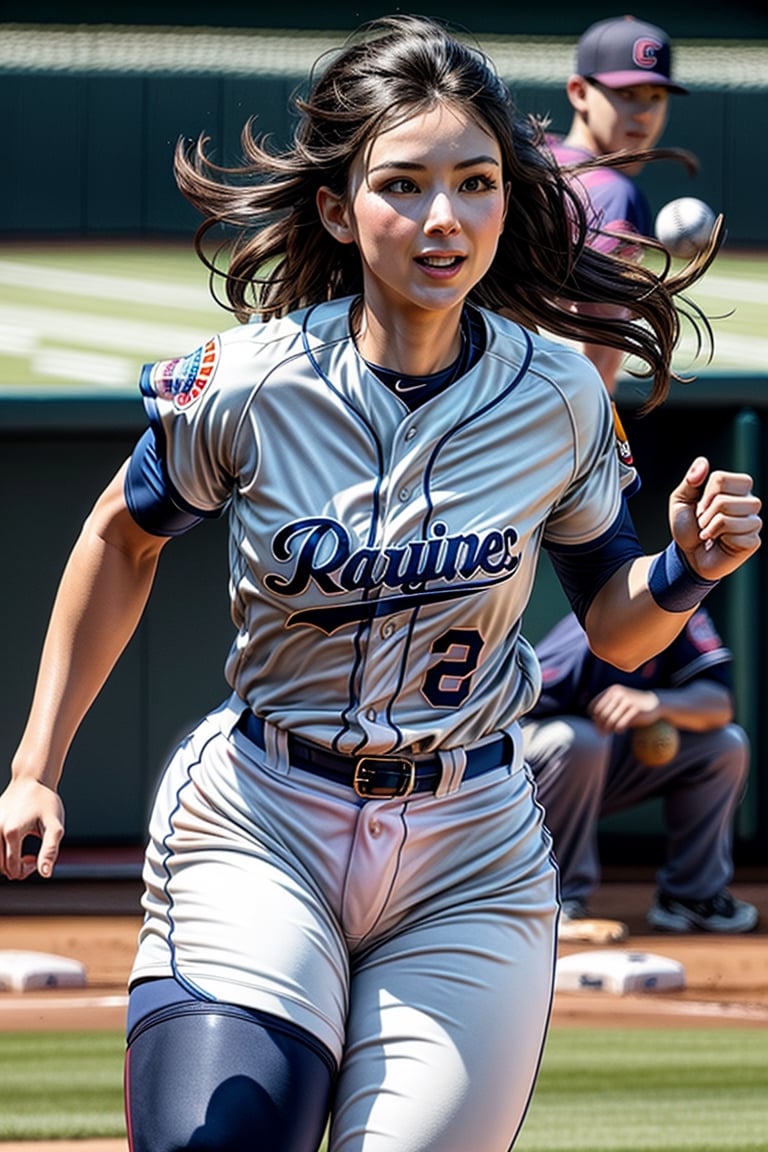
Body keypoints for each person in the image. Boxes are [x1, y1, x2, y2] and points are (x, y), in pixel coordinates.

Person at [0, 14, 760, 1152]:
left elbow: (619, 627)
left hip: (472, 847)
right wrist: (34, 768)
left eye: (477, 182)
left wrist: (685, 569)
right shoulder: (248, 381)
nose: (444, 217)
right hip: (263, 818)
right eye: (403, 184)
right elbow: (121, 539)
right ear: (337, 208)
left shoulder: (555, 395)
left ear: (512, 200)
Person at [522, 608, 759, 935]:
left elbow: (719, 704)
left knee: (725, 744)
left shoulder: (680, 613)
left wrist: (656, 703)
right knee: (578, 741)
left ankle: (692, 896)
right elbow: (511, 719)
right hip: (529, 781)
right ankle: (554, 899)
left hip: (606, 768)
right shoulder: (585, 635)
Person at [546, 14, 693, 393]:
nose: (644, 113)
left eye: (656, 97)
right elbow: (601, 351)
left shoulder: (535, 159)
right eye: (626, 94)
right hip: (548, 407)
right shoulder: (612, 192)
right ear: (579, 91)